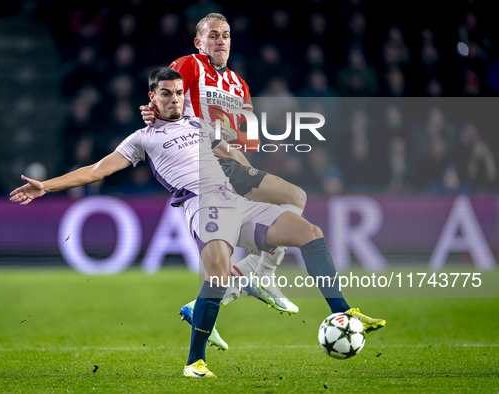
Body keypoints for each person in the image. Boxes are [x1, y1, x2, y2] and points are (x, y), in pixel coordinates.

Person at [11, 68, 386, 378]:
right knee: (219, 275)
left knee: (309, 232)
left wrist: (243, 164)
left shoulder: (197, 125)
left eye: (177, 93)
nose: (174, 99)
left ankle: (342, 311)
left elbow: (230, 151)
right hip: (203, 206)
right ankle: (195, 361)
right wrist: (46, 185)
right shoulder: (143, 138)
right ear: (151, 100)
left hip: (234, 200)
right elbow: (97, 170)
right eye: (166, 94)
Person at [139, 13, 384, 351]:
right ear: (199, 43)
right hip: (204, 163)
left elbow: (244, 137)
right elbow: (165, 90)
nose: (220, 40)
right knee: (293, 197)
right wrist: (152, 111)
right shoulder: (192, 65)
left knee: (291, 202)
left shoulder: (239, 85)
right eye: (212, 35)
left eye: (225, 34)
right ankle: (258, 277)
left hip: (230, 161)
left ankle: (235, 289)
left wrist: (245, 154)